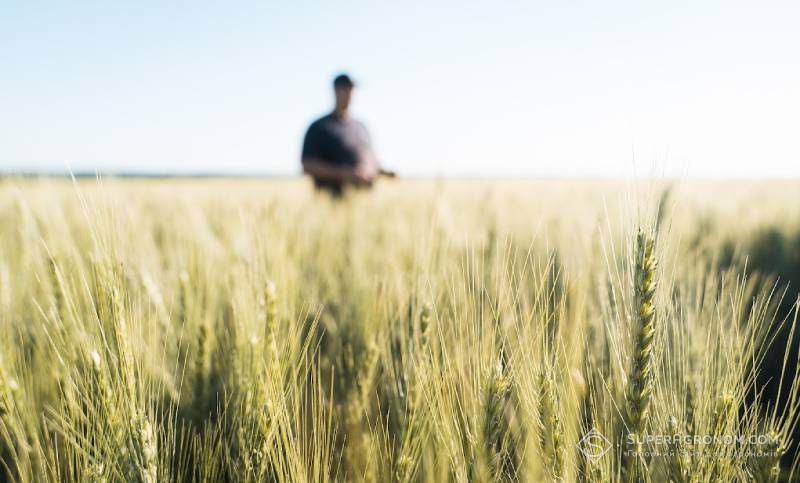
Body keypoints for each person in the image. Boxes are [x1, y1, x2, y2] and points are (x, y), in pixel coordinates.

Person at [301, 73, 395, 196]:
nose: (349, 93)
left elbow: (372, 161)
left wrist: (384, 173)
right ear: (335, 91)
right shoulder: (320, 127)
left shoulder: (361, 127)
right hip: (332, 201)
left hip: (363, 200)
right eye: (345, 89)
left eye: (352, 89)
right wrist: (345, 174)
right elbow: (307, 164)